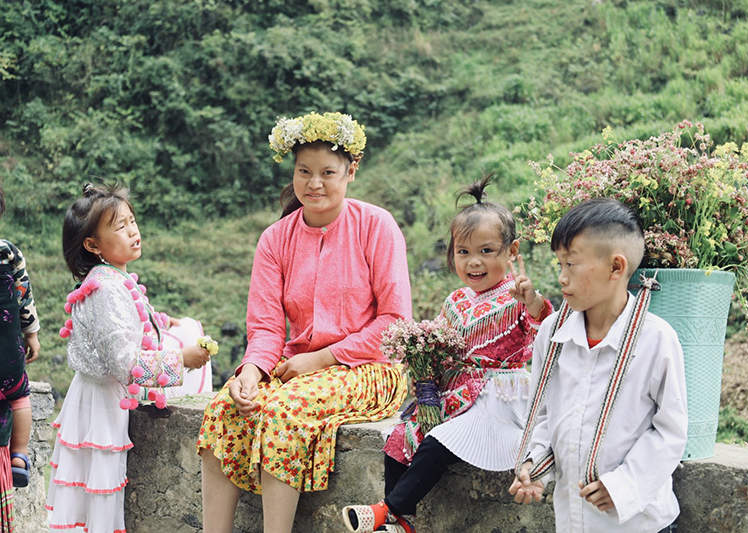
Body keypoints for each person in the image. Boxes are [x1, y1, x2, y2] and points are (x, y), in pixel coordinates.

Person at [197, 112, 412, 533]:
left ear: (351, 172)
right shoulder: (275, 239)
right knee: (224, 406)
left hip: (368, 368)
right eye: (304, 172)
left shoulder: (376, 226)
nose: (315, 183)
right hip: (296, 367)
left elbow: (393, 323)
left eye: (328, 172)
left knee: (284, 411)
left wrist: (321, 359)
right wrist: (251, 372)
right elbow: (266, 328)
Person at [342, 176, 554, 533]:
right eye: (464, 252)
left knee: (442, 439)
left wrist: (531, 301)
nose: (474, 262)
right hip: (456, 395)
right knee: (400, 437)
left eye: (487, 251)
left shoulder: (516, 297)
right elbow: (438, 347)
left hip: (497, 401)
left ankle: (388, 510)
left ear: (512, 251)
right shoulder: (455, 301)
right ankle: (398, 523)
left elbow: (541, 325)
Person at [509, 198, 688, 533]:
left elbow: (670, 432)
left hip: (639, 525)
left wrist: (622, 487)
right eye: (559, 265)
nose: (561, 278)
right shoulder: (552, 334)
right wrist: (535, 465)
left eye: (571, 265)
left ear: (616, 267)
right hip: (574, 520)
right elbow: (545, 414)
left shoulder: (656, 340)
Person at [47, 183, 211, 533]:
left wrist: (169, 322)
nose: (133, 231)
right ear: (92, 245)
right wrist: (182, 359)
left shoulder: (114, 277)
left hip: (103, 396)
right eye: (120, 227)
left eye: (132, 221)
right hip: (103, 402)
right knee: (100, 493)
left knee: (96, 493)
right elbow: (126, 362)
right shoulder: (105, 288)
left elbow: (135, 321)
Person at [0, 184, 41, 530]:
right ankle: (20, 454)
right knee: (19, 396)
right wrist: (32, 335)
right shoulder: (8, 253)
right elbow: (24, 299)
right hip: (8, 356)